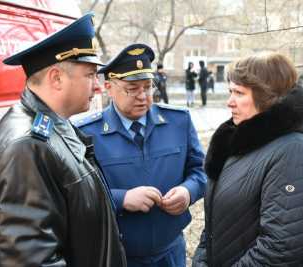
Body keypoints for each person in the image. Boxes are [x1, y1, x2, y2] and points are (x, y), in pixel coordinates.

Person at [0, 13, 126, 267]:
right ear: (56, 78)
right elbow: (32, 260)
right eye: (90, 75)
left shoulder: (53, 125)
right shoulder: (27, 148)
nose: (97, 86)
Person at [192, 52, 303, 266]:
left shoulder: (294, 153)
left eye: (239, 93)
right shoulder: (237, 142)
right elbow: (215, 225)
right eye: (230, 91)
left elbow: (280, 248)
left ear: (266, 97)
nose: (229, 102)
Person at [77, 43, 207, 267]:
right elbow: (79, 194)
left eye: (148, 87)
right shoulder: (86, 133)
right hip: (119, 255)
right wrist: (121, 199)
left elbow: (201, 170)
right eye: (132, 88)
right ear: (109, 87)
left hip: (171, 253)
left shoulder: (178, 121)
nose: (143, 96)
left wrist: (188, 191)